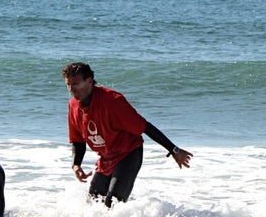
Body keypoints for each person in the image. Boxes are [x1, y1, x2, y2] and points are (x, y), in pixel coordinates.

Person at [62, 62, 193, 207]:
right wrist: (76, 165)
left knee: (112, 204)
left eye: (76, 84)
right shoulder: (74, 105)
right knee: (93, 203)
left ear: (90, 81)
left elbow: (144, 126)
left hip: (128, 154)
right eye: (68, 84)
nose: (71, 89)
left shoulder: (112, 101)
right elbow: (78, 140)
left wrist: (174, 150)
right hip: (106, 158)